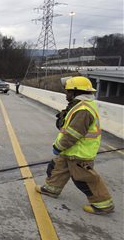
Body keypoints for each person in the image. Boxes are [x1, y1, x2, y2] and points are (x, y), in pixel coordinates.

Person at [35, 76, 114, 215]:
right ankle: (51, 189)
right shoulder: (78, 105)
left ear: (75, 91)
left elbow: (72, 134)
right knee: (57, 167)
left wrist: (58, 147)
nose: (66, 93)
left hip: (79, 153)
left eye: (67, 91)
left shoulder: (83, 110)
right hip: (70, 151)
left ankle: (103, 204)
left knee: (84, 179)